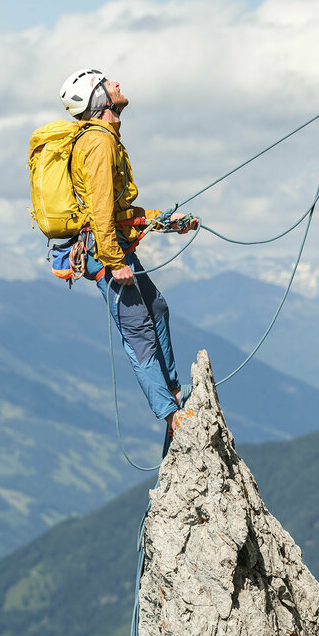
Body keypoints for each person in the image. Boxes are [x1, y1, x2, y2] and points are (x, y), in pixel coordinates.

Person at [57, 67, 198, 443]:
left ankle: (174, 390)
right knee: (138, 332)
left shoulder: (105, 140)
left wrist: (166, 220)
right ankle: (171, 415)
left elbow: (120, 212)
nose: (116, 83)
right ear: (99, 98)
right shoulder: (99, 144)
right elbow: (101, 210)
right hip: (106, 253)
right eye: (107, 82)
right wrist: (115, 262)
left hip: (111, 247)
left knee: (157, 308)